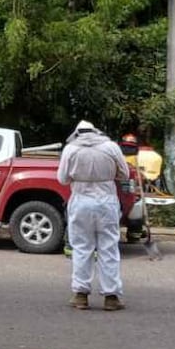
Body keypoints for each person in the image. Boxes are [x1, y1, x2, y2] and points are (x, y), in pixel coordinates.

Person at [57, 120, 129, 311]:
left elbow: (62, 179)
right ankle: (111, 297)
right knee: (109, 248)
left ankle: (81, 295)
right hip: (106, 201)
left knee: (81, 248)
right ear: (96, 131)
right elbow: (125, 174)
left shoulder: (70, 149)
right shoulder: (111, 147)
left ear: (77, 133)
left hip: (80, 201)